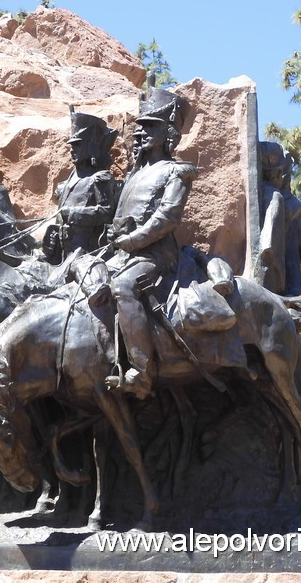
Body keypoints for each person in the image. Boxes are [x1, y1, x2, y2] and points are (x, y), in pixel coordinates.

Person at [108, 87, 197, 399]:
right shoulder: (135, 173)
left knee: (123, 288)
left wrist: (131, 241)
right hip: (123, 253)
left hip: (156, 256)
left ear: (168, 131)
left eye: (151, 126)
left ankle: (141, 371)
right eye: (140, 126)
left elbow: (167, 218)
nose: (141, 131)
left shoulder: (177, 172)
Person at [44, 108, 117, 263]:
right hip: (62, 252)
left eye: (77, 145)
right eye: (72, 146)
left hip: (84, 253)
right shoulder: (69, 180)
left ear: (91, 146)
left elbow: (106, 212)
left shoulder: (99, 178)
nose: (72, 150)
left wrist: (73, 213)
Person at [257, 141, 301, 296]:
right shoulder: (276, 196)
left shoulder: (280, 197)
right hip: (272, 270)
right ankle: (294, 293)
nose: (277, 177)